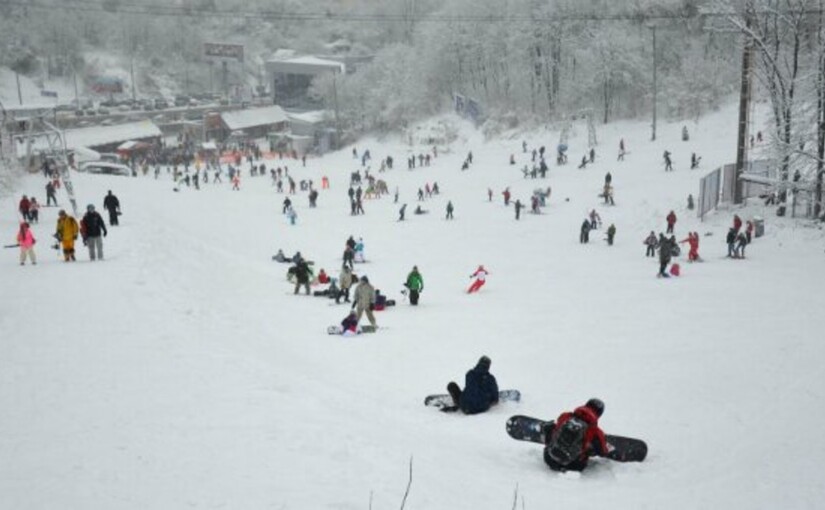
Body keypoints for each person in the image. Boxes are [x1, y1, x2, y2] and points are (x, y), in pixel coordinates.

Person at [543, 398, 608, 472]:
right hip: (573, 466)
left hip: (549, 458)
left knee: (553, 428)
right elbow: (603, 452)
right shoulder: (595, 431)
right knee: (590, 445)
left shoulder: (565, 416)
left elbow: (556, 430)